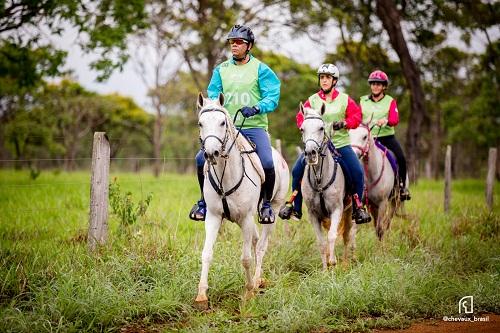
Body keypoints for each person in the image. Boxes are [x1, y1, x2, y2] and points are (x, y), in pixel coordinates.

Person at [189, 24, 281, 224]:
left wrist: (257, 108)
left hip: (253, 126)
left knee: (266, 162)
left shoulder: (261, 70)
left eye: (239, 42)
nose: (234, 46)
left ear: (249, 46)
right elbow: (213, 96)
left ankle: (265, 205)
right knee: (199, 160)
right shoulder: (221, 70)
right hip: (226, 129)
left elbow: (272, 96)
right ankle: (204, 202)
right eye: (232, 42)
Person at [279, 63, 371, 224]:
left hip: (340, 145)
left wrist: (344, 123)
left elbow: (357, 117)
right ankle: (295, 207)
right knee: (297, 170)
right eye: (322, 77)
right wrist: (304, 125)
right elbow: (301, 116)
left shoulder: (344, 99)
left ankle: (358, 208)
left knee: (357, 171)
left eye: (328, 77)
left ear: (334, 81)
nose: (324, 80)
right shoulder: (312, 100)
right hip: (317, 147)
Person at [360, 70, 411, 200]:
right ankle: (354, 189)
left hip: (387, 138)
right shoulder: (363, 101)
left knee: (400, 157)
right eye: (373, 84)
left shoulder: (390, 101)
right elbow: (357, 117)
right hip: (367, 139)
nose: (375, 86)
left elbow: (395, 120)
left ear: (384, 86)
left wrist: (386, 121)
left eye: (379, 84)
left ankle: (402, 186)